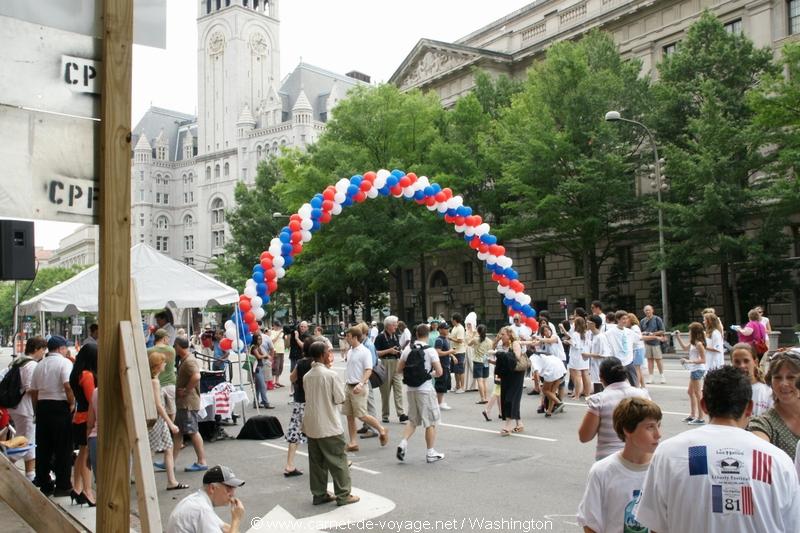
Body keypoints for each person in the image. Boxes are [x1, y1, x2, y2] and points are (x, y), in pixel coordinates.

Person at [635, 366, 800, 533]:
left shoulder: (669, 453)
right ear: (749, 408)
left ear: (704, 405)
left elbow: (655, 525)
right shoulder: (778, 460)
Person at [577, 397, 662, 533]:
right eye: (650, 427)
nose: (658, 434)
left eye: (659, 425)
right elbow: (590, 523)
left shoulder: (663, 469)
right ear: (628, 430)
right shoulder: (602, 471)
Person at [303, 341, 360, 506]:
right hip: (329, 424)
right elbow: (340, 398)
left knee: (317, 463)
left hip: (312, 424)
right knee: (338, 460)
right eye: (328, 352)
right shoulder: (330, 375)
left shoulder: (308, 375)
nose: (330, 355)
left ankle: (319, 494)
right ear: (322, 355)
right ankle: (343, 494)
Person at [578, 357, 650, 461]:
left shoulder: (598, 400)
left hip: (608, 459)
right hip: (639, 458)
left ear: (601, 378)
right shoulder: (643, 395)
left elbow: (584, 437)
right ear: (625, 375)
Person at [29, 335, 74, 496]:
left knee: (44, 446)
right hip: (59, 406)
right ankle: (63, 484)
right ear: (61, 348)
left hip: (42, 406)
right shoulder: (64, 363)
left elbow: (33, 391)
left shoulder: (40, 365)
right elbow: (67, 385)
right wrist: (72, 403)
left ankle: (43, 479)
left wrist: (36, 409)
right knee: (63, 447)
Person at [395, 323, 445, 463]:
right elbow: (440, 372)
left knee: (412, 421)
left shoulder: (407, 349)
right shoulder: (430, 350)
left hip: (411, 389)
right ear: (428, 335)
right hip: (425, 389)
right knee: (431, 422)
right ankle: (430, 452)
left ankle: (403, 443)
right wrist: (430, 374)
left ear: (416, 334)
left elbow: (399, 370)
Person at [7, 336, 46, 481]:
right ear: (36, 349)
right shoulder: (32, 365)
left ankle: (30, 475)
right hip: (26, 408)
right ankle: (4, 465)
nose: (43, 353)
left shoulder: (17, 361)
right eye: (43, 349)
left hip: (16, 406)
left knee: (28, 440)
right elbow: (30, 388)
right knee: (26, 441)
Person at [748, 351, 800, 460]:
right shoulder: (763, 424)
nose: (783, 383)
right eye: (777, 377)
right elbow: (760, 456)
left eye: (791, 377)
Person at [342, 326, 387, 452]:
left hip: (359, 386)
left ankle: (381, 429)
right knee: (349, 416)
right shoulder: (350, 351)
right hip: (349, 386)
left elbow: (369, 370)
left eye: (349, 337)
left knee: (361, 415)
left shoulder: (364, 351)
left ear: (355, 337)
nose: (347, 339)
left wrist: (361, 383)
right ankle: (353, 442)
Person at [148, 351, 187, 491]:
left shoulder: (153, 380)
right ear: (158, 365)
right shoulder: (154, 382)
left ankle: (172, 481)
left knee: (168, 448)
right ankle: (146, 481)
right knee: (151, 451)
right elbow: (158, 405)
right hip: (157, 420)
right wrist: (170, 423)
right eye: (163, 362)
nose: (165, 364)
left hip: (158, 420)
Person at [166, 465, 245, 533]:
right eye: (228, 489)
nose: (232, 494)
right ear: (212, 488)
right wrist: (236, 519)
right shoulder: (203, 510)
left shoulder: (198, 499)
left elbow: (224, 527)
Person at [68, 344, 97, 506]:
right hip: (87, 418)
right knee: (86, 456)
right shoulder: (87, 375)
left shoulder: (77, 373)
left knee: (82, 453)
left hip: (79, 416)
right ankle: (87, 490)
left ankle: (77, 488)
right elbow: (93, 398)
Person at [173, 336, 208, 472]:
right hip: (184, 403)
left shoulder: (188, 361)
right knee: (178, 433)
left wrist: (187, 390)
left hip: (188, 403)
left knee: (192, 431)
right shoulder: (186, 360)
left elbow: (197, 376)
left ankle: (202, 461)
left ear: (178, 346)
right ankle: (170, 460)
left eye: (174, 346)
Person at [283, 335, 315, 477]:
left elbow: (292, 378)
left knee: (295, 432)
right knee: (324, 432)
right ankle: (338, 460)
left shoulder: (301, 363)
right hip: (313, 403)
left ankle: (289, 464)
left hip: (299, 400)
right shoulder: (316, 363)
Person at [374, 316, 407, 423]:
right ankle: (385, 415)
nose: (396, 326)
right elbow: (376, 353)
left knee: (398, 389)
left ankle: (401, 413)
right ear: (388, 325)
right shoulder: (380, 337)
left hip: (396, 363)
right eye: (394, 324)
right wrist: (389, 351)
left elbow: (397, 348)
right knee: (385, 391)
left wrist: (398, 352)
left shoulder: (395, 336)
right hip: (385, 363)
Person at [674, 322, 707, 425]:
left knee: (698, 394)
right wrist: (678, 337)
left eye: (690, 330)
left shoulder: (699, 344)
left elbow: (703, 360)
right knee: (690, 392)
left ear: (694, 332)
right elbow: (684, 348)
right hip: (694, 369)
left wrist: (689, 361)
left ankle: (700, 418)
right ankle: (692, 415)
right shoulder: (694, 342)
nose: (688, 332)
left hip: (698, 369)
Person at [495, 327, 526, 435]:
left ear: (509, 335)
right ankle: (519, 423)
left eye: (503, 334)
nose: (501, 336)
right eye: (500, 334)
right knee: (508, 398)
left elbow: (516, 357)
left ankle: (507, 426)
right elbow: (501, 360)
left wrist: (501, 354)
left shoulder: (515, 343)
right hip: (506, 374)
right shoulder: (501, 345)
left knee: (510, 398)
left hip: (516, 374)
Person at [731, 343, 772, 416]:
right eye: (737, 362)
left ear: (755, 362)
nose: (742, 366)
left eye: (746, 361)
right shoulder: (728, 391)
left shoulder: (767, 392)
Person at [149, 329, 177, 431]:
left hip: (155, 383)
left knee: (158, 409)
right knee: (171, 411)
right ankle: (169, 430)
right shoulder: (171, 350)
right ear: (164, 338)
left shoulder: (149, 351)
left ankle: (161, 429)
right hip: (170, 383)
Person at [604, 311, 639, 387]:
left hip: (628, 361)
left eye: (626, 318)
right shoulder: (610, 333)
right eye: (623, 319)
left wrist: (656, 337)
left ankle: (636, 396)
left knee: (634, 382)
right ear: (617, 319)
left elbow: (639, 338)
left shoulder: (629, 331)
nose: (625, 321)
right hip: (617, 362)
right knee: (617, 382)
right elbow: (605, 344)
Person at [565, 317, 592, 399]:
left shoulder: (576, 334)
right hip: (585, 355)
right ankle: (587, 394)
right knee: (585, 375)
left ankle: (577, 395)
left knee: (577, 376)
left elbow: (576, 345)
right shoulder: (587, 333)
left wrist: (569, 342)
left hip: (577, 356)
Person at [639, 305, 666, 384]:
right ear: (644, 311)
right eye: (646, 310)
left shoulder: (657, 319)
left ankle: (662, 376)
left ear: (652, 310)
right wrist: (645, 333)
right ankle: (651, 377)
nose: (647, 312)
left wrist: (653, 333)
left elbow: (662, 331)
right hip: (647, 343)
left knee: (658, 360)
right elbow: (640, 332)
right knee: (649, 360)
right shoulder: (642, 321)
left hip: (656, 343)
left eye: (649, 310)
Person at [434, 322, 456, 411]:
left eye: (447, 328)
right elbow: (438, 352)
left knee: (444, 383)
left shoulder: (445, 339)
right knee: (441, 384)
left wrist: (452, 356)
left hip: (445, 364)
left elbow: (447, 351)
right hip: (441, 364)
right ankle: (439, 403)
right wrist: (450, 352)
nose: (447, 330)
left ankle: (441, 401)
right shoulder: (439, 340)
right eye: (445, 328)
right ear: (440, 330)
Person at [468, 325, 493, 404]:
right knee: (484, 381)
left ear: (478, 331)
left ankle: (482, 398)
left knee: (479, 380)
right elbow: (490, 350)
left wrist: (473, 334)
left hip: (477, 361)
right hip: (486, 361)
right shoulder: (489, 341)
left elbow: (468, 344)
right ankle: (486, 397)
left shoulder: (475, 339)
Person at [250, 333, 273, 409]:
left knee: (258, 387)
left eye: (261, 339)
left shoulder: (258, 347)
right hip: (257, 368)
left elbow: (263, 355)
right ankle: (266, 403)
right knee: (263, 386)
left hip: (260, 367)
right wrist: (265, 356)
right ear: (255, 339)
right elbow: (259, 356)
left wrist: (266, 356)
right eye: (258, 339)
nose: (260, 340)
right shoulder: (254, 347)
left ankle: (255, 403)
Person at [626, 313, 646, 388]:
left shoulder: (634, 328)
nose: (626, 321)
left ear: (631, 320)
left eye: (627, 319)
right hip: (639, 349)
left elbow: (636, 339)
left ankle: (637, 385)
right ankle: (643, 385)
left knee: (636, 369)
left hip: (637, 349)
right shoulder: (634, 327)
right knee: (638, 368)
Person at [449, 313, 467, 394]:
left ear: (455, 320)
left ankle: (462, 387)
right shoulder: (455, 327)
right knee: (456, 370)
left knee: (460, 370)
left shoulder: (460, 328)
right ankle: (457, 386)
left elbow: (460, 340)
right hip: (454, 351)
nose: (451, 320)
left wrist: (450, 338)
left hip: (460, 351)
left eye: (452, 319)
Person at [269, 321, 286, 387]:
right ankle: (273, 381)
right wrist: (279, 333)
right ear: (274, 326)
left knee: (280, 366)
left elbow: (284, 340)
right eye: (277, 326)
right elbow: (272, 341)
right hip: (276, 351)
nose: (279, 327)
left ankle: (277, 381)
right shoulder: (272, 332)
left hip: (282, 351)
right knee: (275, 366)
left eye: (279, 326)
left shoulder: (282, 333)